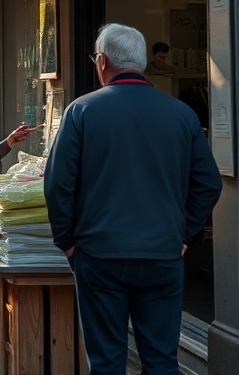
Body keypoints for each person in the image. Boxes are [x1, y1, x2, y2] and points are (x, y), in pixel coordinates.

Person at [44, 24, 221, 374]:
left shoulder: (82, 111)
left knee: (107, 360)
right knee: (160, 360)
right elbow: (208, 184)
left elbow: (58, 185)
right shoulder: (181, 114)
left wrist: (66, 242)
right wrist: (184, 234)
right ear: (140, 63)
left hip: (99, 253)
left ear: (103, 62)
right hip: (162, 252)